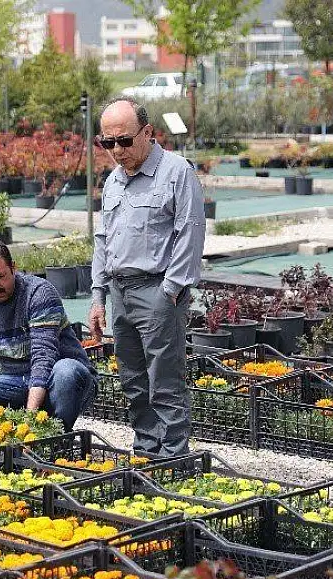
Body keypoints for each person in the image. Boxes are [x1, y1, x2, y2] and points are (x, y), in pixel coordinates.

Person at [88, 97, 205, 457]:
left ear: (148, 133)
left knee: (165, 381)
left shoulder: (176, 172)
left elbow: (191, 232)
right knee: (133, 381)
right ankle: (146, 450)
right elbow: (102, 241)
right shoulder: (113, 182)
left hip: (157, 291)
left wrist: (170, 290)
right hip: (120, 292)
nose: (116, 151)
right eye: (108, 143)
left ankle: (172, 459)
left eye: (124, 141)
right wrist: (98, 297)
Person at [0, 237, 97, 431]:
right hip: (18, 383)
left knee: (66, 372)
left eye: (0, 276)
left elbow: (44, 357)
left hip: (62, 381)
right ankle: (2, 443)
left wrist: (30, 421)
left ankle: (56, 438)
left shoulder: (38, 292)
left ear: (13, 268)